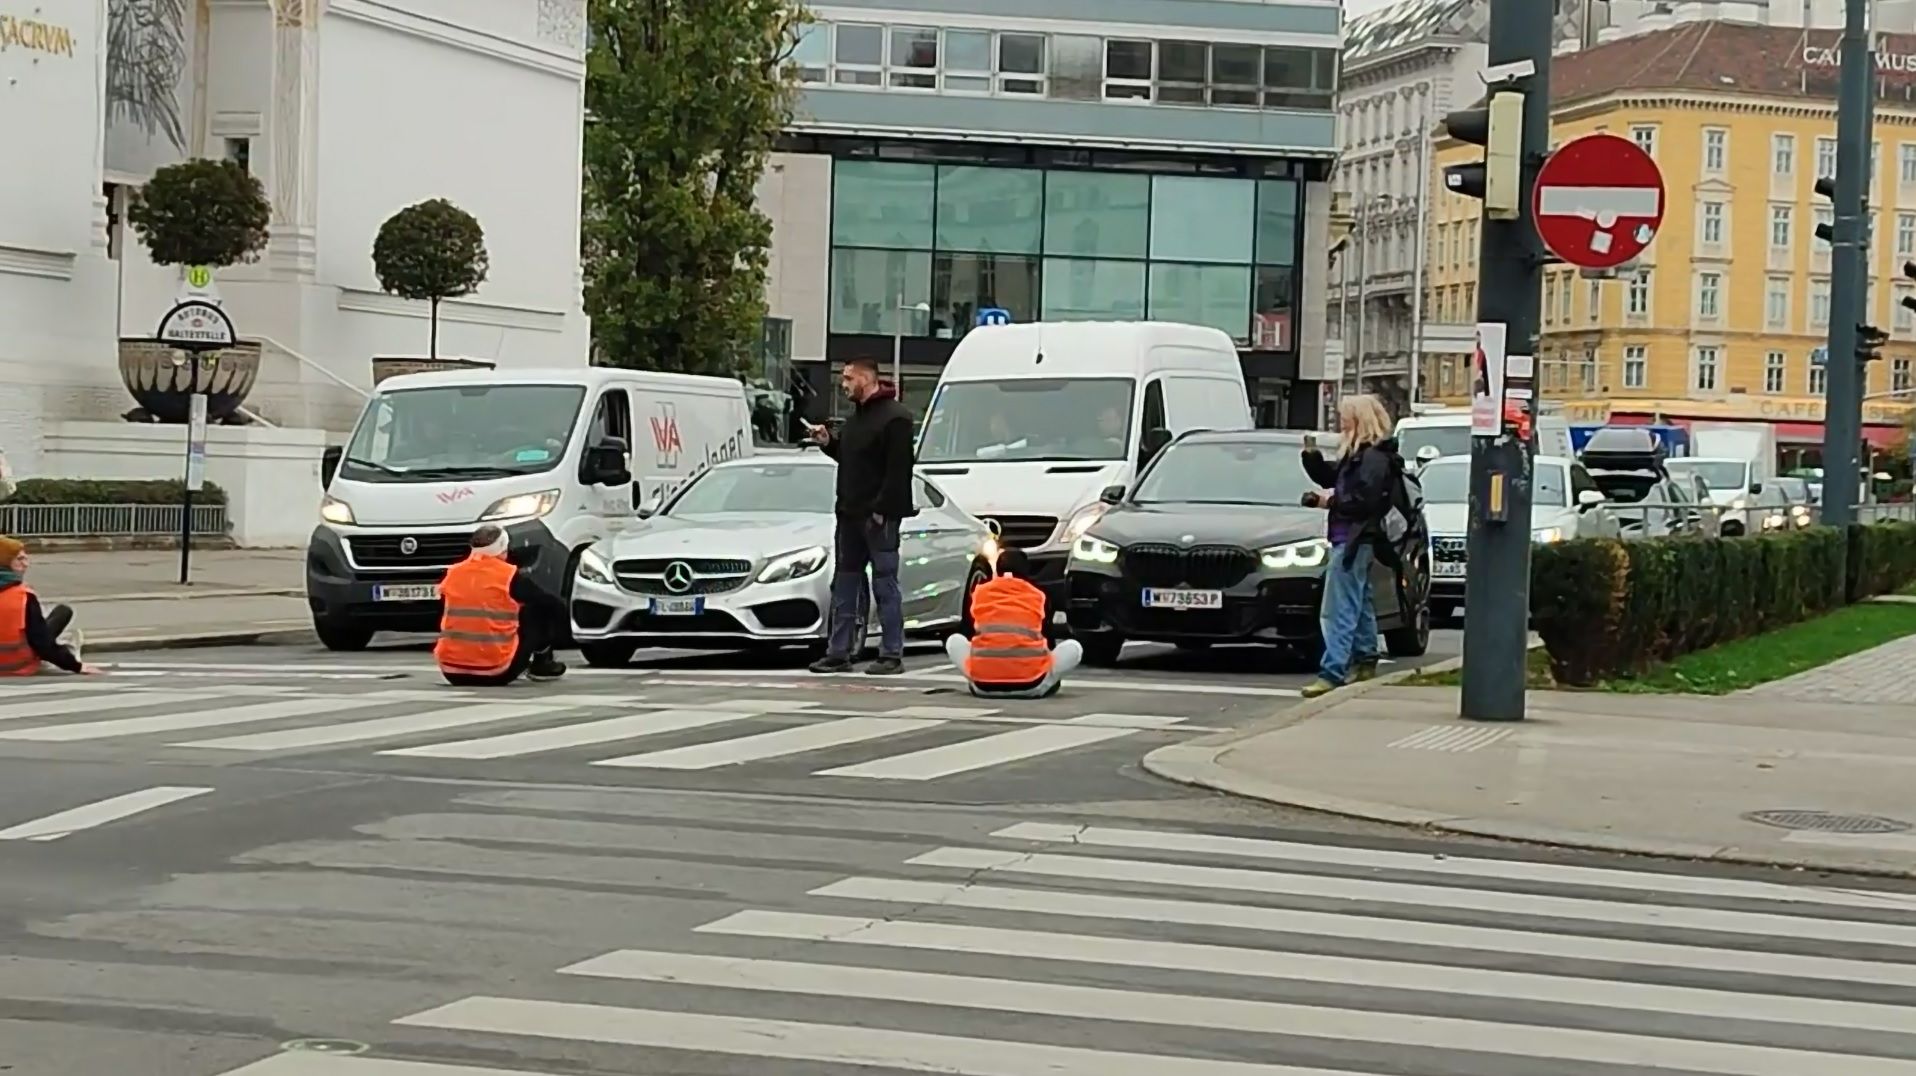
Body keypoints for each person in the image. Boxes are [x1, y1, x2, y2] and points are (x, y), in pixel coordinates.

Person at [806, 357, 916, 676]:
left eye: (848, 378)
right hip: (850, 515)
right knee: (845, 584)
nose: (843, 384)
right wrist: (829, 444)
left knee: (884, 584)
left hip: (877, 518)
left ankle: (891, 653)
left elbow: (899, 471)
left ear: (867, 379)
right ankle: (838, 652)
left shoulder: (896, 418)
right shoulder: (855, 421)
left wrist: (882, 510)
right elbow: (853, 460)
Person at [1298, 394, 1403, 698]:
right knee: (1360, 602)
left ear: (1359, 419)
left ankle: (1332, 671)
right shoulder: (1362, 454)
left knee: (1337, 609)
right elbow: (1333, 476)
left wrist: (1326, 502)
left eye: (1345, 416)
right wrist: (1312, 458)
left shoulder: (1371, 458)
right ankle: (1366, 658)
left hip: (1354, 538)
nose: (1339, 421)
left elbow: (1364, 501)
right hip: (1359, 538)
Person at [434, 525, 569, 686]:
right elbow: (553, 604)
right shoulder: (507, 575)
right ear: (503, 548)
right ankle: (543, 663)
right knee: (538, 609)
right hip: (497, 670)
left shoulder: (453, 573)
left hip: (451, 671)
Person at [945, 547, 1082, 698]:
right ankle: (1044, 681)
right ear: (1026, 571)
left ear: (997, 569)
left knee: (954, 641)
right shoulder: (1038, 596)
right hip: (1032, 684)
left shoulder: (979, 593)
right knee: (1074, 648)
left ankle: (982, 674)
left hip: (983, 686)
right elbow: (1048, 638)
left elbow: (969, 633)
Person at [0, 536, 100, 676]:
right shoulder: (22, 596)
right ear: (4, 563)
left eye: (26, 558)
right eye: (19, 559)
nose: (26, 564)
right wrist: (75, 666)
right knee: (61, 613)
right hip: (17, 664)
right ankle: (66, 649)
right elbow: (41, 643)